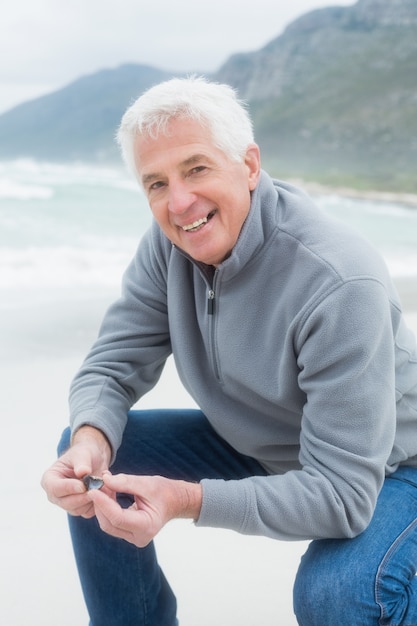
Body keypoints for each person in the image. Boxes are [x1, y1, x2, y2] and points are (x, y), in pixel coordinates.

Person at [41, 76, 417, 626]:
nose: (179, 201)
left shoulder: (339, 282)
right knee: (92, 457)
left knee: (337, 594)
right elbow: (113, 362)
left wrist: (186, 499)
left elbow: (341, 495)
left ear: (248, 165)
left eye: (196, 168)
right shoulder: (171, 244)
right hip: (268, 443)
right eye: (156, 183)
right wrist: (90, 438)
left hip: (390, 465)